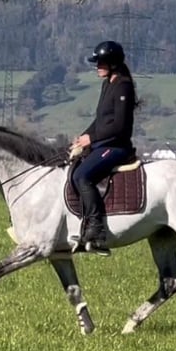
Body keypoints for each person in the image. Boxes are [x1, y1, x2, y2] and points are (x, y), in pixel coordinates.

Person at [70, 40, 138, 255]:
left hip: (117, 147)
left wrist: (93, 138)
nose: (97, 65)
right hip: (103, 143)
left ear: (114, 64)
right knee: (73, 170)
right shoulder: (108, 83)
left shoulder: (123, 86)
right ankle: (81, 225)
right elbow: (101, 120)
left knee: (82, 176)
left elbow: (119, 126)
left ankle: (97, 231)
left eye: (101, 62)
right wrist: (83, 136)